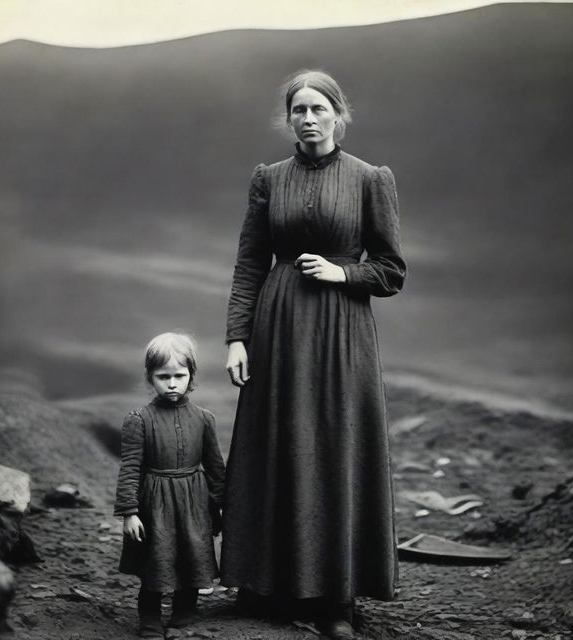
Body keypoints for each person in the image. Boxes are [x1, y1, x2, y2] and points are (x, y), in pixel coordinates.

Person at [222, 69, 406, 640]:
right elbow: (251, 262)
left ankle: (336, 600)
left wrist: (340, 272)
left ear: (337, 114)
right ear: (289, 118)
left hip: (340, 331)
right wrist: (236, 337)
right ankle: (268, 586)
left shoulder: (370, 179)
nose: (306, 119)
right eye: (297, 110)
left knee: (334, 448)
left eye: (317, 109)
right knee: (276, 446)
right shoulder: (268, 178)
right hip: (277, 325)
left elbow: (391, 271)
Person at [114, 332, 226, 639]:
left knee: (193, 556)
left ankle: (184, 610)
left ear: (191, 376)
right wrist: (129, 512)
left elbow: (216, 467)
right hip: (156, 503)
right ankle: (149, 617)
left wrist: (221, 505)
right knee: (156, 560)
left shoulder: (204, 419)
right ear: (150, 378)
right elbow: (130, 469)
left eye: (180, 375)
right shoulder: (139, 420)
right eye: (163, 376)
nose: (172, 383)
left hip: (194, 502)